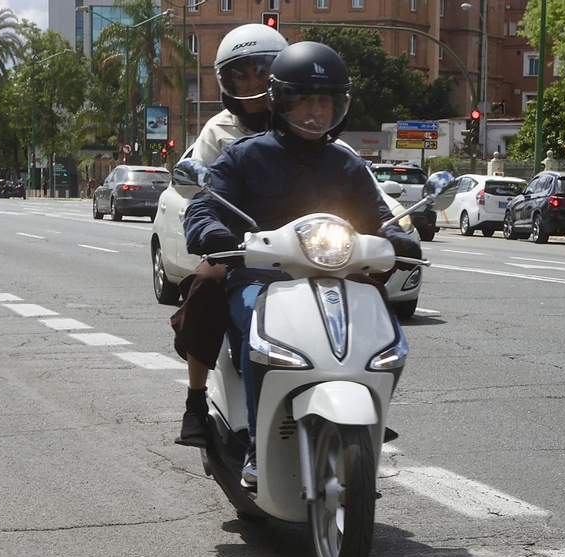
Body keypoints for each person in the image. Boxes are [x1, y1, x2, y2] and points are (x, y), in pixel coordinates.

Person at [181, 41, 421, 489]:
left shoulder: (346, 163)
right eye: (305, 99)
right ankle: (256, 438)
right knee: (257, 321)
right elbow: (204, 206)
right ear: (281, 101)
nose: (316, 111)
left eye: (326, 101)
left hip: (333, 273)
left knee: (381, 322)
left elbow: (379, 216)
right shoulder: (244, 155)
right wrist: (212, 230)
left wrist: (399, 235)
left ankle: (367, 408)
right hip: (261, 276)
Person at [171, 23, 289, 449]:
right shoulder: (219, 130)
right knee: (206, 285)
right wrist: (214, 231)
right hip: (237, 245)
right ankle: (196, 400)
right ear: (226, 81)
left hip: (303, 244)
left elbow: (343, 168)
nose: (251, 83)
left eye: (261, 72)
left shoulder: (304, 121)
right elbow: (194, 188)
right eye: (240, 75)